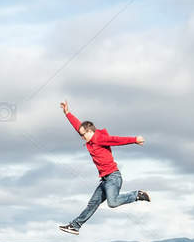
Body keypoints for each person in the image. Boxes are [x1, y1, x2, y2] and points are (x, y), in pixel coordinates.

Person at [58, 100, 150, 235]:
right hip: (105, 180)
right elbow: (77, 126)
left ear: (90, 131)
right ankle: (75, 226)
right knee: (92, 204)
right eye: (81, 135)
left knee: (112, 203)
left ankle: (137, 195)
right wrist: (67, 113)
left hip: (113, 177)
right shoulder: (88, 137)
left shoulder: (99, 138)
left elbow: (116, 140)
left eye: (83, 135)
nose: (82, 137)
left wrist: (135, 139)